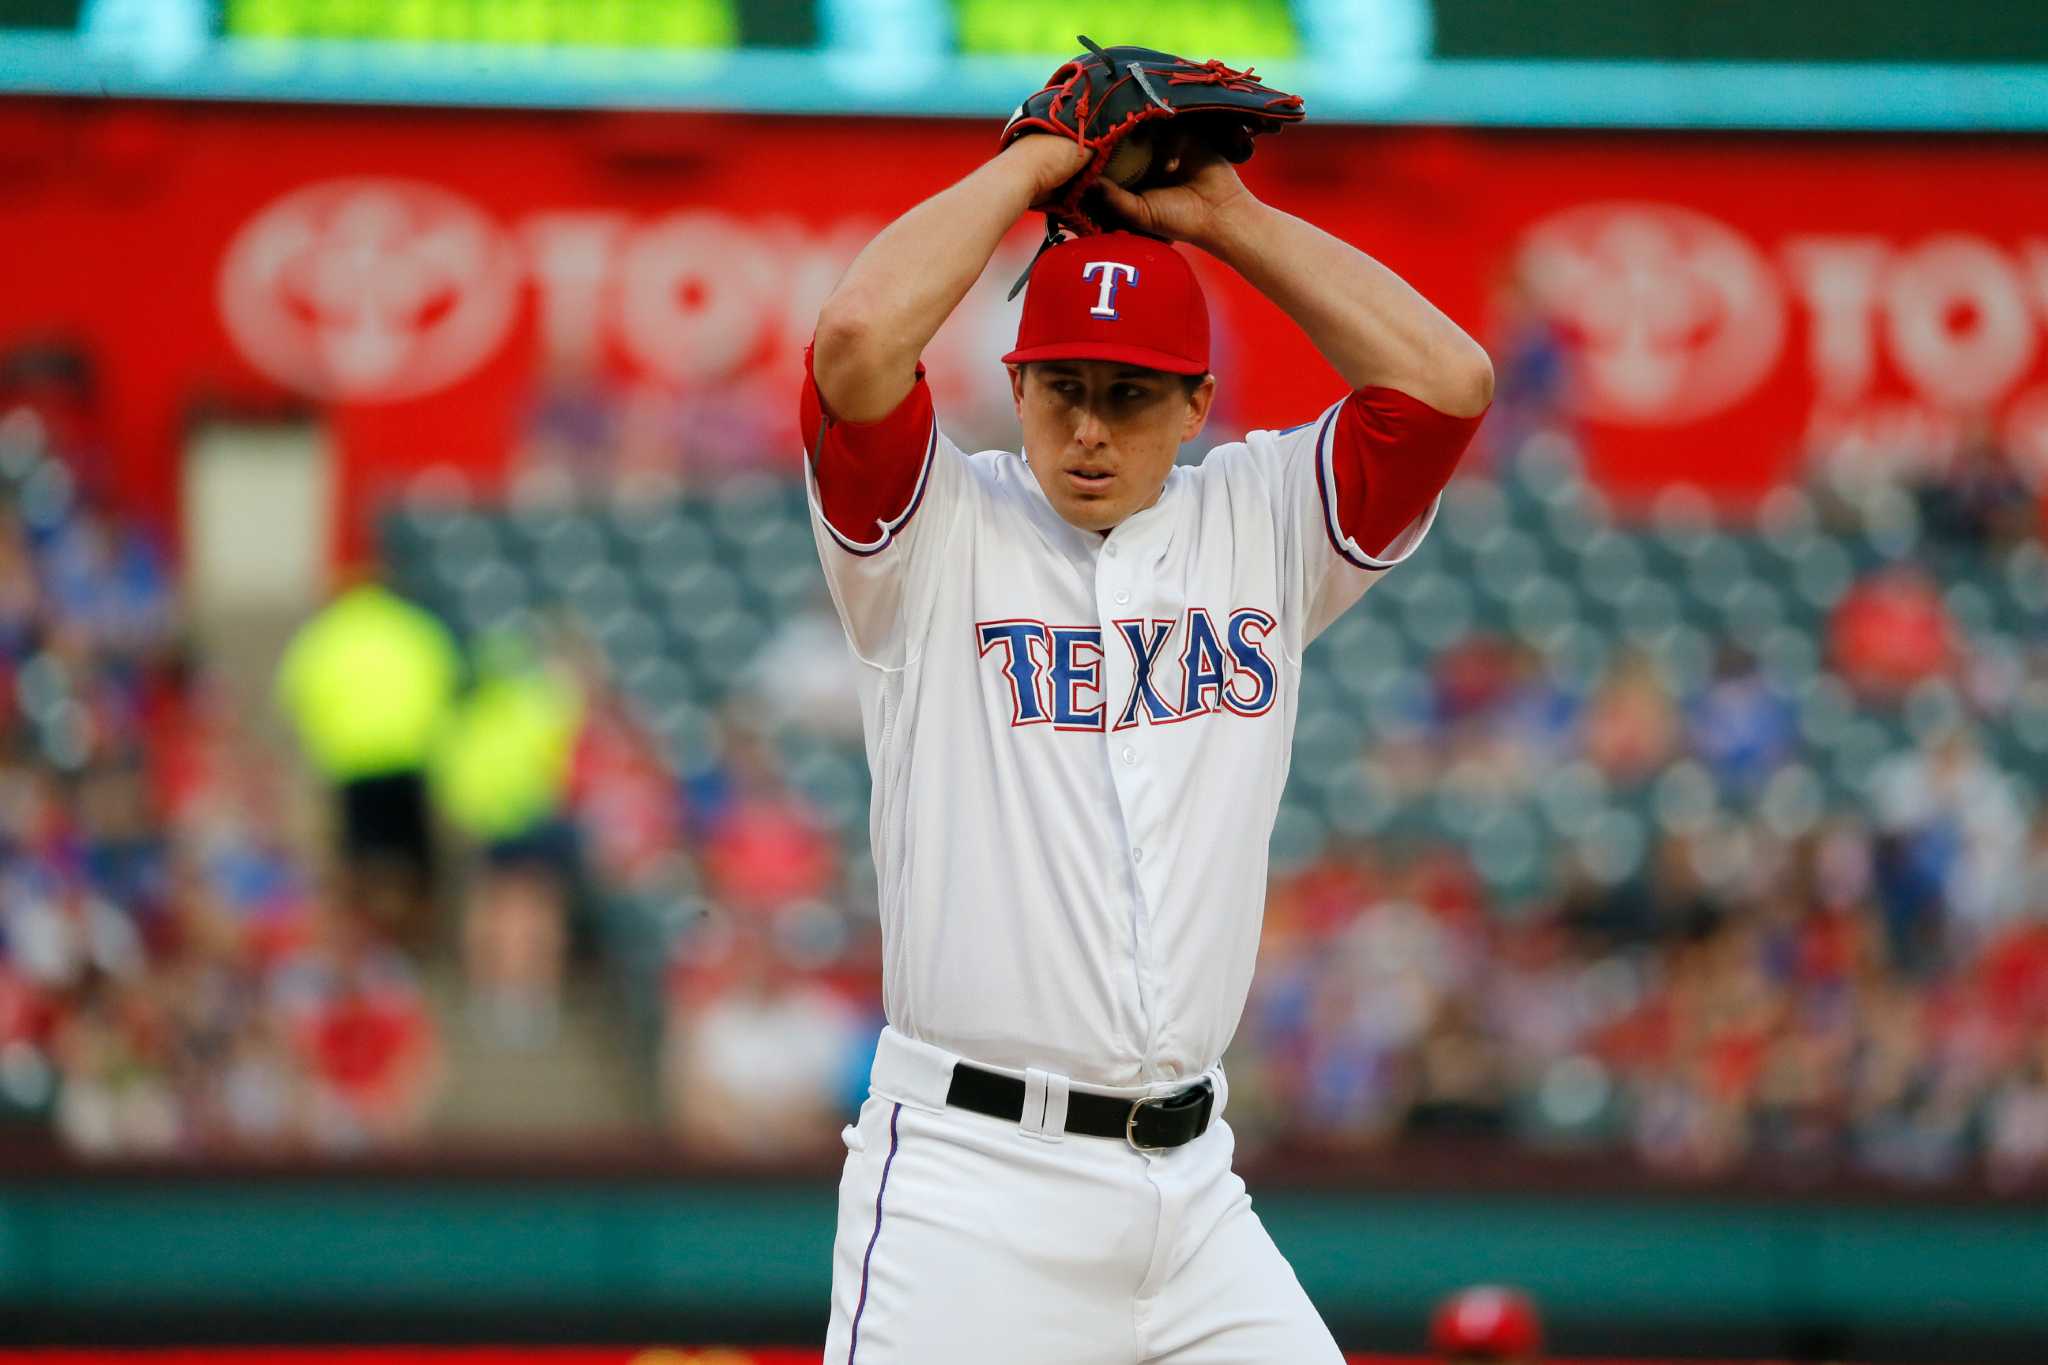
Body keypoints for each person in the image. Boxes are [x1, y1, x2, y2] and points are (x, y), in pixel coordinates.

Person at [802, 115, 1490, 1362]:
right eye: (1061, 387)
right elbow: (854, 340)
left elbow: (1447, 383)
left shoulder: (1264, 518)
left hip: (1191, 1193)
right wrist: (1026, 169)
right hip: (970, 1189)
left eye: (1127, 396)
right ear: (1014, 384)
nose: (1087, 430)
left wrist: (1225, 220)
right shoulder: (931, 534)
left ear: (1196, 406)